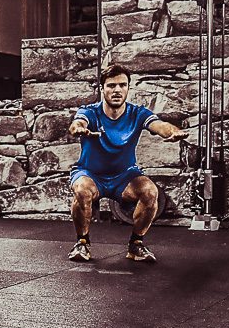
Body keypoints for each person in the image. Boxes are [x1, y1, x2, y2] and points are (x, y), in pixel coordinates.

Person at [67, 63, 188, 263]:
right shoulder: (89, 111)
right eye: (111, 85)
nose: (117, 90)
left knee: (150, 191)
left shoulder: (137, 113)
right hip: (91, 174)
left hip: (124, 177)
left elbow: (160, 125)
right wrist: (78, 129)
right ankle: (82, 243)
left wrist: (172, 131)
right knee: (81, 189)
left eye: (122, 85)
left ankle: (136, 245)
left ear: (128, 89)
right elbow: (77, 123)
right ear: (102, 89)